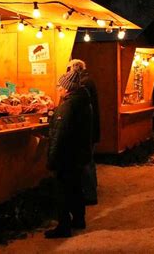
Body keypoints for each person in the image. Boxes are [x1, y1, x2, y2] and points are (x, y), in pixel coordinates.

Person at [45, 69, 93, 238]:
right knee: (75, 188)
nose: (58, 88)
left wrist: (52, 160)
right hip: (78, 154)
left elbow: (60, 135)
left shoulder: (68, 105)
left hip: (67, 156)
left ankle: (63, 226)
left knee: (62, 191)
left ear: (67, 88)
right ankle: (79, 219)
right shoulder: (82, 101)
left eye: (60, 86)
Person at [67, 59, 100, 205]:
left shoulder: (84, 84)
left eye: (68, 69)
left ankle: (89, 195)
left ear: (74, 69)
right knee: (89, 162)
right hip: (91, 129)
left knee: (86, 163)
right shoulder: (88, 81)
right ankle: (91, 191)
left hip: (87, 131)